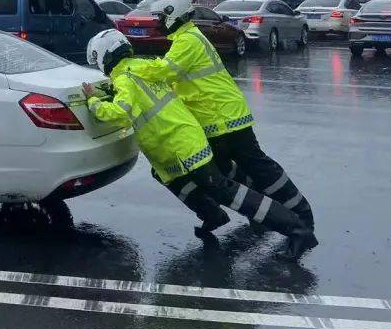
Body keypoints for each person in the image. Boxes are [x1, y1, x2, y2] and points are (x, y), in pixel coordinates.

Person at [81, 29, 317, 261]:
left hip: (180, 143)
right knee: (169, 177)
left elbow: (119, 112)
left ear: (104, 57)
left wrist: (92, 101)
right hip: (180, 140)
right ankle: (213, 214)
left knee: (223, 190)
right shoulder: (144, 68)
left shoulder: (124, 79)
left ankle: (297, 230)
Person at [129, 0, 315, 230]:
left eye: (159, 17)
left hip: (225, 117)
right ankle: (264, 210)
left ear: (172, 15)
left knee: (259, 167)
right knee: (228, 170)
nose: (157, 23)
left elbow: (162, 71)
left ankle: (301, 215)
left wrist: (128, 68)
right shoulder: (185, 39)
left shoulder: (188, 40)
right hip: (216, 119)